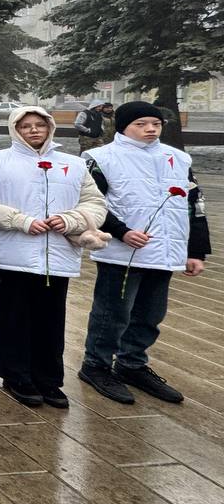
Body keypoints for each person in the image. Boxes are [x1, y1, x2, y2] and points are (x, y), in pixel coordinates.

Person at [78, 101, 210, 405]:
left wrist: (196, 251)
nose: (151, 129)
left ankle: (131, 364)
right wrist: (121, 231)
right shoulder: (100, 158)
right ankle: (95, 365)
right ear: (124, 126)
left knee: (151, 313)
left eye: (156, 123)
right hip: (123, 250)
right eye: (141, 124)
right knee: (113, 313)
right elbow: (90, 203)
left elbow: (195, 206)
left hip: (165, 250)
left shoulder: (177, 158)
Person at [0, 106, 107, 408]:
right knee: (13, 317)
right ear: (15, 130)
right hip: (12, 254)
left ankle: (48, 378)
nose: (34, 130)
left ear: (50, 127)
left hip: (57, 255)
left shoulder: (73, 164)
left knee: (51, 320)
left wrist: (72, 219)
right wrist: (21, 220)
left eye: (40, 125)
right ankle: (15, 374)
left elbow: (95, 203)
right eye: (26, 126)